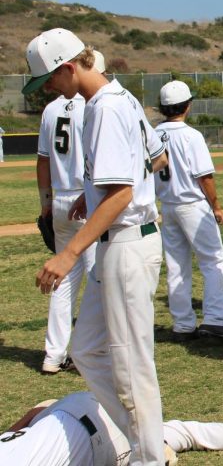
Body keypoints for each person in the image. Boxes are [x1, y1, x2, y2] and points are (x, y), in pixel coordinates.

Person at [24, 28, 169, 464]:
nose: (48, 89)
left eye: (48, 79)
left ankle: (148, 457)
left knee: (131, 365)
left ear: (68, 67)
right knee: (86, 348)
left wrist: (68, 253)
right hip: (117, 243)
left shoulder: (105, 108)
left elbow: (122, 195)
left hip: (127, 242)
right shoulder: (115, 97)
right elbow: (156, 158)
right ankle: (142, 439)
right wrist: (94, 187)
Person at [0, 391, 223, 465]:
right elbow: (34, 412)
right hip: (75, 407)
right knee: (184, 431)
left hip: (98, 440)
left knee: (184, 432)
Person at [34, 51, 107, 375]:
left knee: (63, 282)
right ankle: (86, 351)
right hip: (86, 198)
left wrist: (45, 202)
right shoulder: (95, 106)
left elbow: (43, 160)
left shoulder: (51, 109)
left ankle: (53, 355)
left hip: (61, 198)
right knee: (96, 277)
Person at [154, 80, 223, 345]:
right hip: (192, 204)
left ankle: (183, 324)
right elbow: (205, 177)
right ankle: (214, 320)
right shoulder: (191, 135)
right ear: (187, 106)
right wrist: (215, 206)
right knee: (213, 261)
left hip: (168, 205)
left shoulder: (152, 132)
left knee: (177, 265)